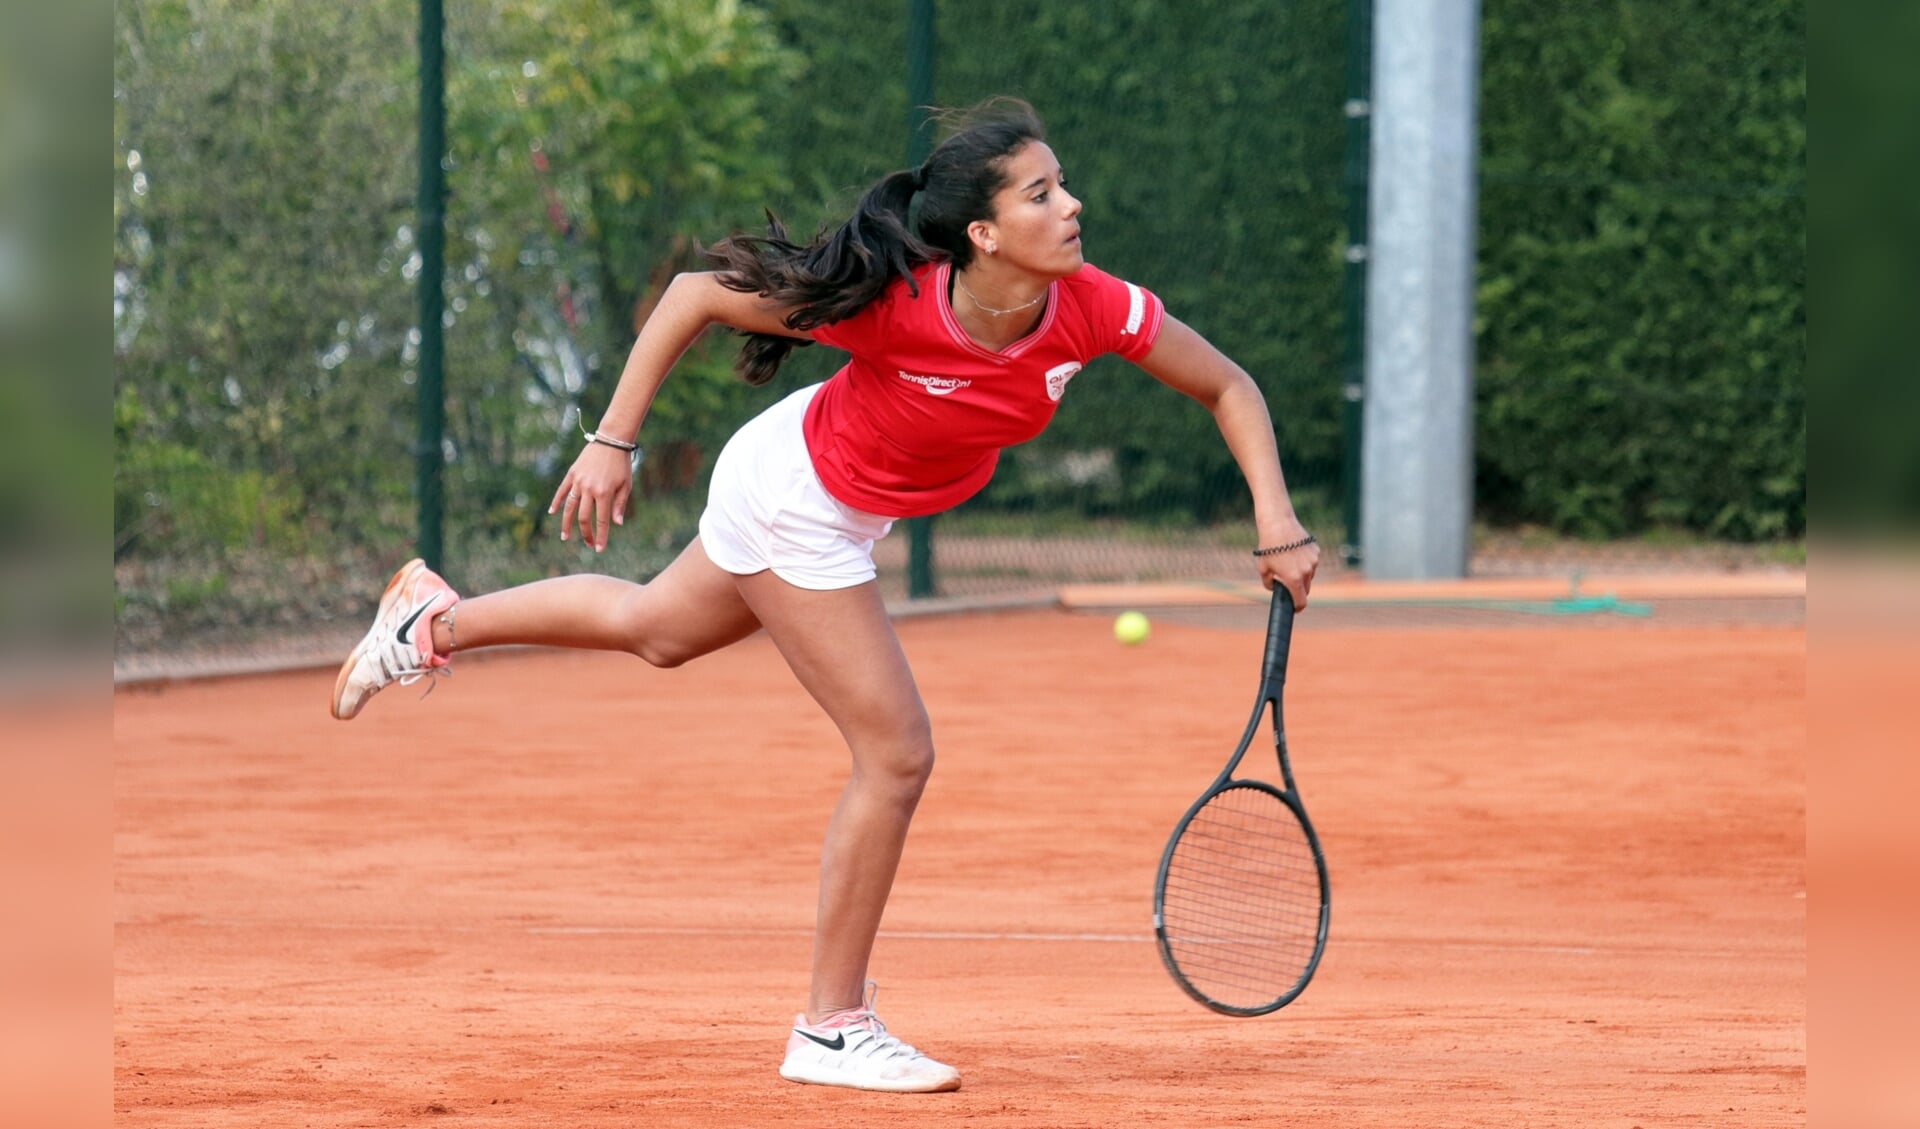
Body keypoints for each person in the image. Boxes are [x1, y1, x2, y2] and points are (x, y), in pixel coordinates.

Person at [330, 97, 1320, 1093]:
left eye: (1060, 185)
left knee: (654, 629)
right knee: (897, 752)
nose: (1072, 204)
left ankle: (430, 619)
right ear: (983, 234)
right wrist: (612, 440)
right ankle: (832, 1026)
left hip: (831, 493)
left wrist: (1277, 524)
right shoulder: (893, 306)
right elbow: (691, 294)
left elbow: (1227, 385)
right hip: (797, 499)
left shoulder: (1093, 306)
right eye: (1042, 192)